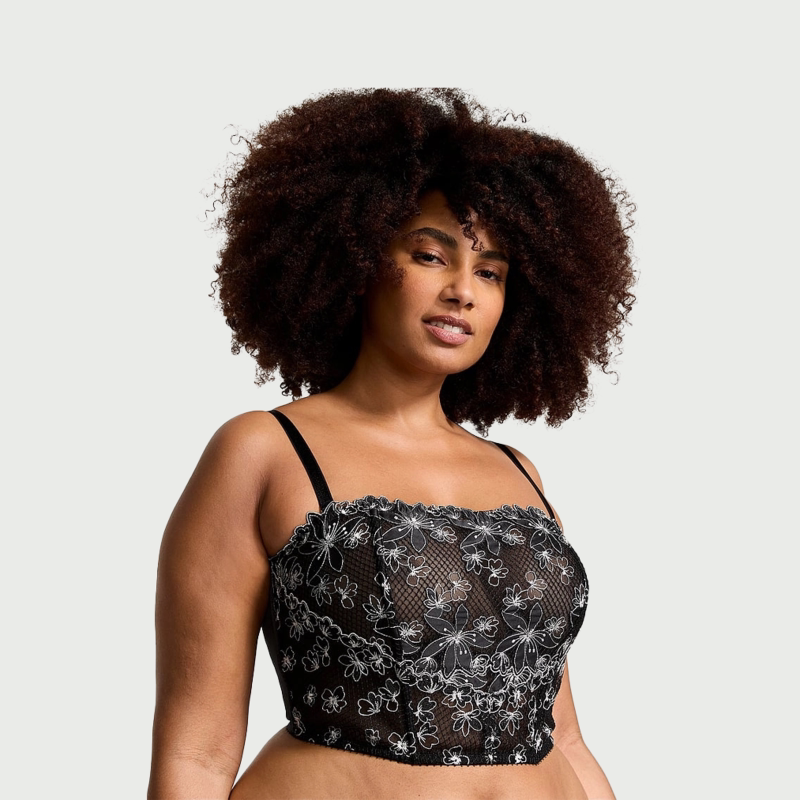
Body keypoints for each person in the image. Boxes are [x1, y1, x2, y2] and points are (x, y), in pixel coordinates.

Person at [148, 88, 637, 800]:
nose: (463, 291)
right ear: (356, 257)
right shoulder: (265, 450)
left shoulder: (519, 471)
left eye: (491, 272)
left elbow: (564, 737)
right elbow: (196, 753)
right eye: (431, 255)